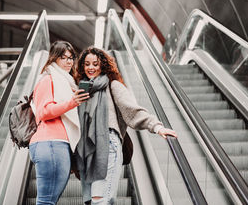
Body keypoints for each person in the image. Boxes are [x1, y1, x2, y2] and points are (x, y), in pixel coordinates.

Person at [74, 46, 177, 205]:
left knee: (101, 200)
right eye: (87, 64)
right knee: (93, 201)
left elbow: (133, 111)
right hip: (87, 151)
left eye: (95, 63)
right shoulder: (80, 90)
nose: (91, 68)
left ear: (103, 65)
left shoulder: (112, 86)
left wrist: (157, 127)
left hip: (107, 144)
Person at [29, 41, 89, 205]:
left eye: (71, 58)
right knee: (46, 201)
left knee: (49, 201)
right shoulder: (48, 80)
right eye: (63, 57)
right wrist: (72, 102)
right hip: (51, 143)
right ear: (54, 59)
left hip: (57, 145)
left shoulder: (67, 82)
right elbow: (44, 112)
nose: (69, 62)